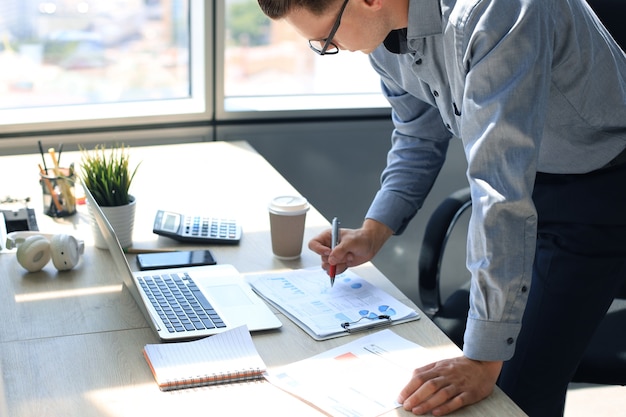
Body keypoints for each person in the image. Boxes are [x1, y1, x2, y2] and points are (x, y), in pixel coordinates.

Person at [256, 0, 626, 416]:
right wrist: (375, 229)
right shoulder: (383, 36)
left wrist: (484, 359)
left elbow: (498, 187)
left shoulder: (495, 11)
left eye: (328, 37)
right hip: (536, 174)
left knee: (511, 390)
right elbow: (418, 134)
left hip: (601, 180)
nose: (333, 47)